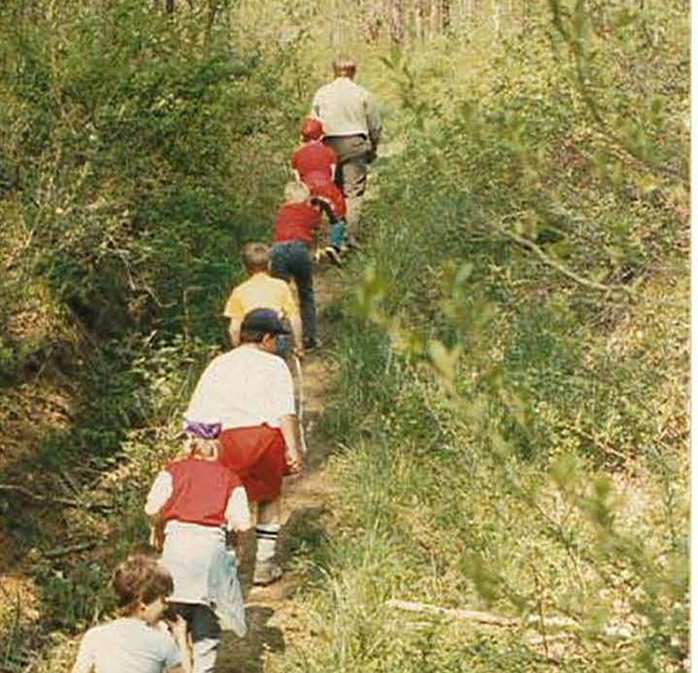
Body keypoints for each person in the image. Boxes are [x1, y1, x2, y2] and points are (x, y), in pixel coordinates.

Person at [184, 308, 303, 586]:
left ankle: (228, 561)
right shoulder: (275, 366)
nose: (276, 345)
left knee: (225, 501)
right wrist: (293, 448)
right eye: (275, 339)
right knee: (269, 497)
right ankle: (263, 563)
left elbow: (198, 410)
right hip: (264, 437)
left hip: (225, 441)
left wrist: (194, 447)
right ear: (266, 338)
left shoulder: (219, 364)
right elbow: (285, 412)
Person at [144, 422, 251, 673]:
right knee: (206, 619)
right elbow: (243, 522)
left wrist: (159, 525)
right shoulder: (230, 478)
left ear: (191, 442)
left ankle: (175, 666)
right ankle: (204, 669)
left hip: (177, 548)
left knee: (173, 616)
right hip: (210, 551)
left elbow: (151, 508)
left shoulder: (174, 471)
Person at [71, 555, 191, 673]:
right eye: (162, 600)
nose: (165, 606)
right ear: (143, 604)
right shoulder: (161, 641)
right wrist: (181, 637)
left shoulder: (95, 636)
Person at [311, 53, 382, 246]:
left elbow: (313, 124)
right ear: (354, 72)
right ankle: (350, 236)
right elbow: (375, 125)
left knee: (332, 191)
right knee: (353, 192)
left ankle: (334, 232)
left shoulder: (322, 93)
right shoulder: (363, 93)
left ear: (334, 71)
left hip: (328, 146)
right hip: (355, 144)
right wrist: (373, 147)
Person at [270, 181, 324, 352]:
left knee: (279, 295)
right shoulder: (310, 211)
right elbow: (317, 227)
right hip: (299, 249)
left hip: (278, 249)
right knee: (305, 292)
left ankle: (279, 340)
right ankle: (310, 337)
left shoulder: (281, 211)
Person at [223, 242, 303, 357]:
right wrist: (299, 345)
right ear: (270, 265)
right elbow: (294, 318)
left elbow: (234, 328)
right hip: (274, 339)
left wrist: (237, 348)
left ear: (245, 267)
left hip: (250, 342)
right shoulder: (281, 286)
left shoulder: (239, 291)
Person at [291, 116, 347, 264]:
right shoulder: (329, 152)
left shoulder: (296, 155)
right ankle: (334, 246)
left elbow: (298, 181)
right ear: (321, 135)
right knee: (338, 219)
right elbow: (333, 175)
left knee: (310, 223)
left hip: (308, 190)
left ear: (302, 137)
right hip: (327, 188)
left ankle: (309, 253)